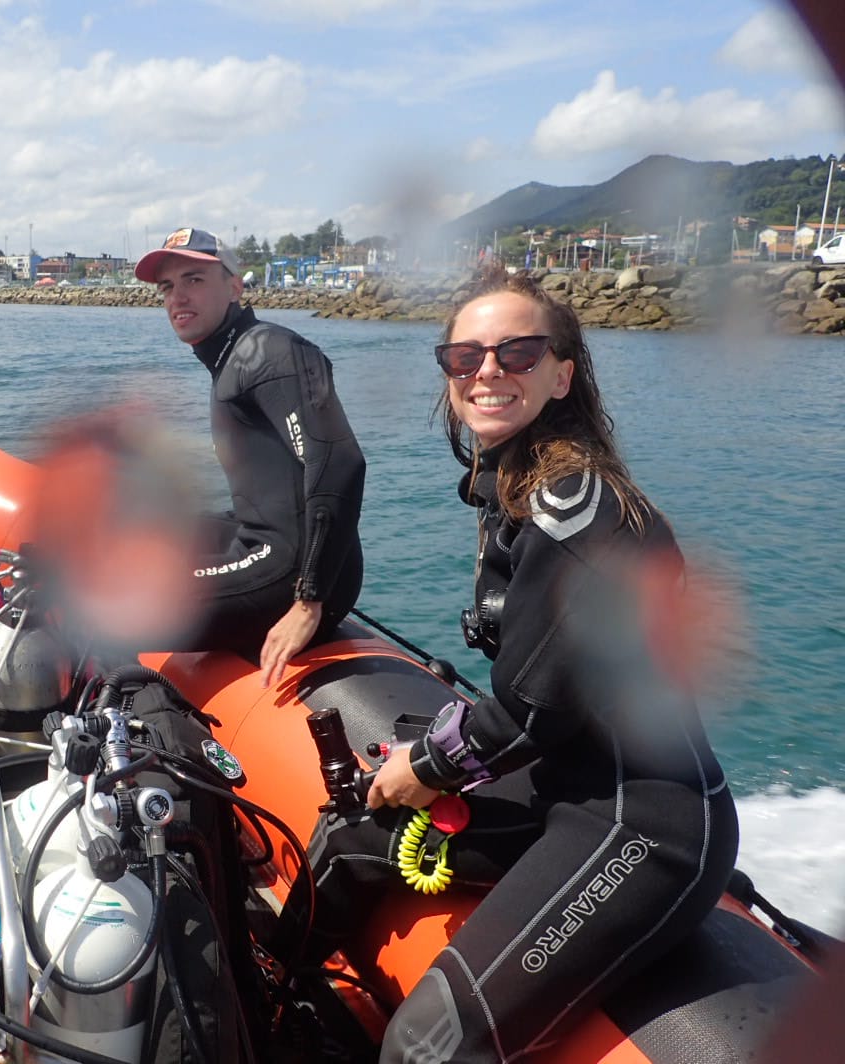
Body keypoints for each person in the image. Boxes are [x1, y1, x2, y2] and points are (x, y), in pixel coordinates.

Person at [280, 268, 738, 1062]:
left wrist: (427, 764)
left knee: (427, 1043)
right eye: (465, 357)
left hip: (642, 820)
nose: (487, 371)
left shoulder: (576, 510)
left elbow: (532, 707)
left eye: (517, 353)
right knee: (349, 835)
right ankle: (268, 1003)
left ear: (562, 375)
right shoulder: (512, 486)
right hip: (560, 778)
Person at [134, 226, 365, 686]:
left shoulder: (269, 353)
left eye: (194, 279)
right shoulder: (231, 359)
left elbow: (339, 462)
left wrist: (308, 602)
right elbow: (272, 491)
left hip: (294, 572)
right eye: (167, 286)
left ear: (235, 287)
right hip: (265, 540)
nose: (178, 296)